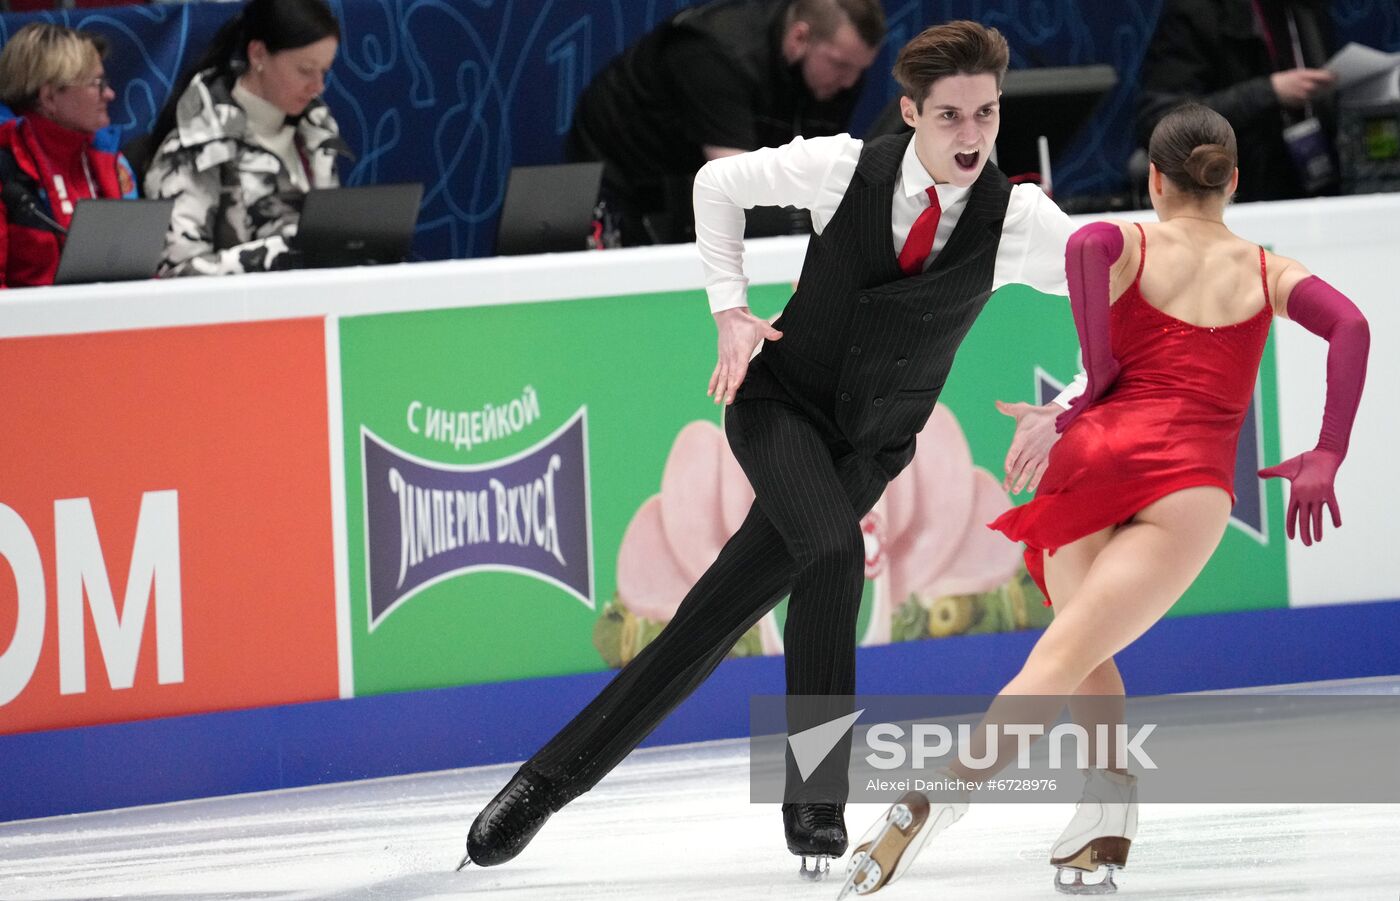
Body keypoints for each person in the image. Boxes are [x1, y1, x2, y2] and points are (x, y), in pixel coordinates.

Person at [463, 21, 1087, 878]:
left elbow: (1117, 279)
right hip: (780, 410)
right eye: (950, 117)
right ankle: (816, 798)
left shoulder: (1018, 220)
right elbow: (717, 182)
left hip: (868, 451)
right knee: (833, 552)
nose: (973, 135)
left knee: (707, 624)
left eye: (986, 113)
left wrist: (1074, 402)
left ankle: (541, 784)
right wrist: (728, 305)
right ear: (909, 113)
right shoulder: (842, 168)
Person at [840, 102, 1369, 898]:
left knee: (1078, 647)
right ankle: (933, 802)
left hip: (1095, 458)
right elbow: (1353, 326)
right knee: (1068, 652)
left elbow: (1086, 244)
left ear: (1153, 180)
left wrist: (1089, 386)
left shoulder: (1127, 240)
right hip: (1187, 483)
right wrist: (1328, 450)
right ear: (1233, 180)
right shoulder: (1267, 270)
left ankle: (1104, 815)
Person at [566, 0, 885, 246]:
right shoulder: (714, 55)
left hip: (691, 174)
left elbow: (817, 172)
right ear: (799, 37)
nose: (850, 82)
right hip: (624, 164)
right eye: (840, 65)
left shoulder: (840, 74)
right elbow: (739, 181)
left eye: (860, 69)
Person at [144, 0, 349, 277]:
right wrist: (271, 256)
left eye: (324, 71)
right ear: (258, 55)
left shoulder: (317, 130)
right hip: (233, 315)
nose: (318, 86)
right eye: (305, 70)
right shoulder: (196, 145)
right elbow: (175, 269)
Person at [1136, 0, 1340, 202]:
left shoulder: (1307, 9)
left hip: (1314, 185)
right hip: (1230, 196)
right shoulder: (1196, 12)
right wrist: (1269, 92)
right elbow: (1160, 121)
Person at [0, 23, 139, 289]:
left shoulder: (111, 160)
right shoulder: (7, 169)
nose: (109, 94)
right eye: (97, 84)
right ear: (50, 97)